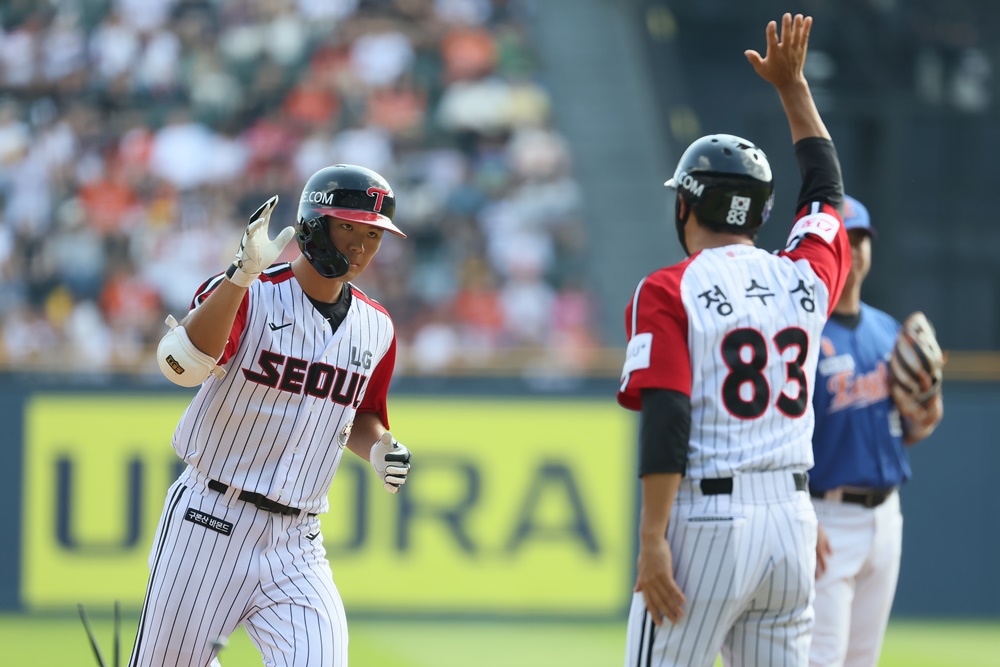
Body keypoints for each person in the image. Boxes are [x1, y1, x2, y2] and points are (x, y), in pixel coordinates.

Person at [618, 14, 851, 667]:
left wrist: (653, 536)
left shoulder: (668, 289)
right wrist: (793, 88)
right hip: (792, 523)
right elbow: (827, 191)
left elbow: (667, 410)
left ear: (685, 206)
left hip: (708, 521)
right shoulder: (806, 277)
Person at [130, 164, 413, 667]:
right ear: (312, 222)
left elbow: (362, 414)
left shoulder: (377, 328)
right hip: (210, 518)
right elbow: (186, 365)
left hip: (298, 542)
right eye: (348, 226)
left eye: (373, 234)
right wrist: (240, 278)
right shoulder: (250, 292)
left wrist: (379, 446)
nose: (362, 245)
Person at [808, 195, 944, 667]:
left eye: (863, 237)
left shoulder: (888, 332)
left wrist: (927, 413)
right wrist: (802, 518)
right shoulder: (804, 336)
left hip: (886, 516)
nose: (857, 246)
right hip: (825, 515)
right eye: (847, 238)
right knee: (821, 658)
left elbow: (903, 430)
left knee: (862, 660)